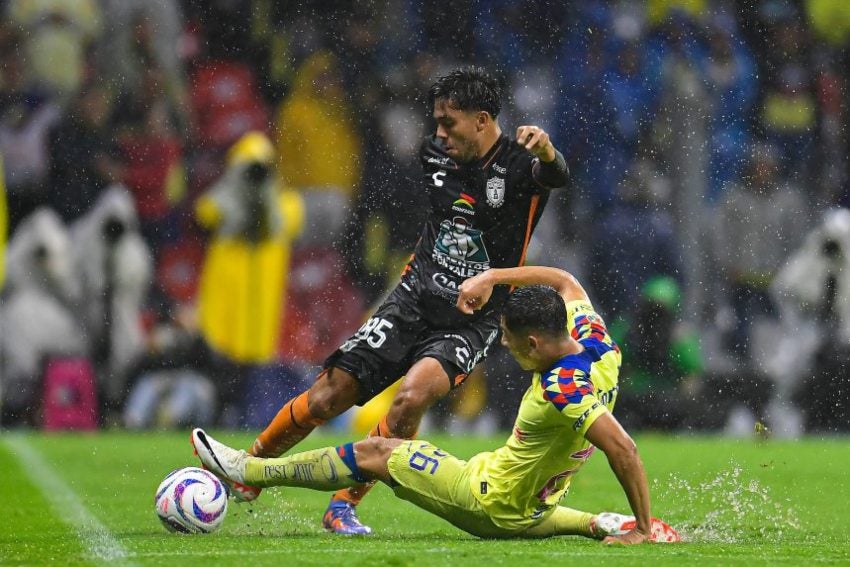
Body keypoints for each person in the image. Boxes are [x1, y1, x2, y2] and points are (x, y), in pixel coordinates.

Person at [239, 67, 570, 535]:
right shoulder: (435, 155)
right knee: (329, 395)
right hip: (414, 297)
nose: (438, 132)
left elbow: (556, 175)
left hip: (472, 321)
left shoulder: (519, 166)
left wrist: (549, 152)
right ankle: (249, 467)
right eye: (435, 120)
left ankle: (342, 506)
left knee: (411, 398)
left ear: (481, 120)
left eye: (448, 121)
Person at [192, 266, 680, 544]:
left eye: (509, 341)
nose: (504, 348)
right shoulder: (598, 342)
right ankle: (598, 523)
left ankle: (248, 470)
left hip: (488, 501)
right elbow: (566, 281)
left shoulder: (563, 388)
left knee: (377, 453)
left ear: (535, 342)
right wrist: (495, 277)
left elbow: (624, 449)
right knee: (546, 509)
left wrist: (640, 528)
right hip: (533, 504)